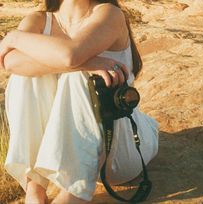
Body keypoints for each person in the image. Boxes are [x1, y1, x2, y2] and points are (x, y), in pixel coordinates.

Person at [0, 0, 159, 203]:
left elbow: (71, 54)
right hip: (75, 142)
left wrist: (14, 37)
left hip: (119, 148)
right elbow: (11, 62)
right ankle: (35, 187)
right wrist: (87, 63)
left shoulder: (110, 14)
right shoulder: (39, 20)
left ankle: (75, 191)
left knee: (79, 77)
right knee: (24, 77)